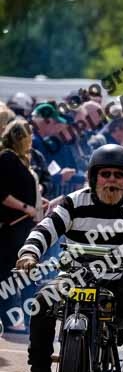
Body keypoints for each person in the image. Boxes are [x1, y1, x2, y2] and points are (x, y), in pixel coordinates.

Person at [14, 144, 123, 372]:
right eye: (105, 174)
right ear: (94, 177)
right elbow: (45, 229)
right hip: (74, 278)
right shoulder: (73, 202)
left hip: (118, 280)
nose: (111, 180)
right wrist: (29, 254)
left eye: (118, 175)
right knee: (41, 301)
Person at [0, 120, 45, 331]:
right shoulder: (7, 158)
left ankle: (26, 319)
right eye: (29, 136)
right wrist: (26, 207)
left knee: (24, 273)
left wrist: (37, 202)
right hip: (12, 228)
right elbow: (2, 194)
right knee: (10, 274)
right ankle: (11, 321)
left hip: (25, 226)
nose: (32, 140)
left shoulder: (20, 159)